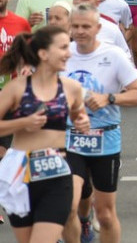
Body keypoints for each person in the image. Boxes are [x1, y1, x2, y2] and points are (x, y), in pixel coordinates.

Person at [62, 4, 137, 243]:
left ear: (98, 28)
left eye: (86, 26)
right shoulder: (63, 54)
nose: (80, 31)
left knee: (106, 215)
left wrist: (110, 98)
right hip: (70, 141)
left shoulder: (113, 56)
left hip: (105, 141)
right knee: (67, 208)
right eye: (76, 26)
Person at [0, 27, 90, 242]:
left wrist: (82, 122)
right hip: (19, 174)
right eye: (63, 47)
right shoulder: (17, 88)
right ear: (43, 54)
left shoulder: (71, 88)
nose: (69, 53)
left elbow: (79, 115)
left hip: (55, 173)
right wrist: (24, 122)